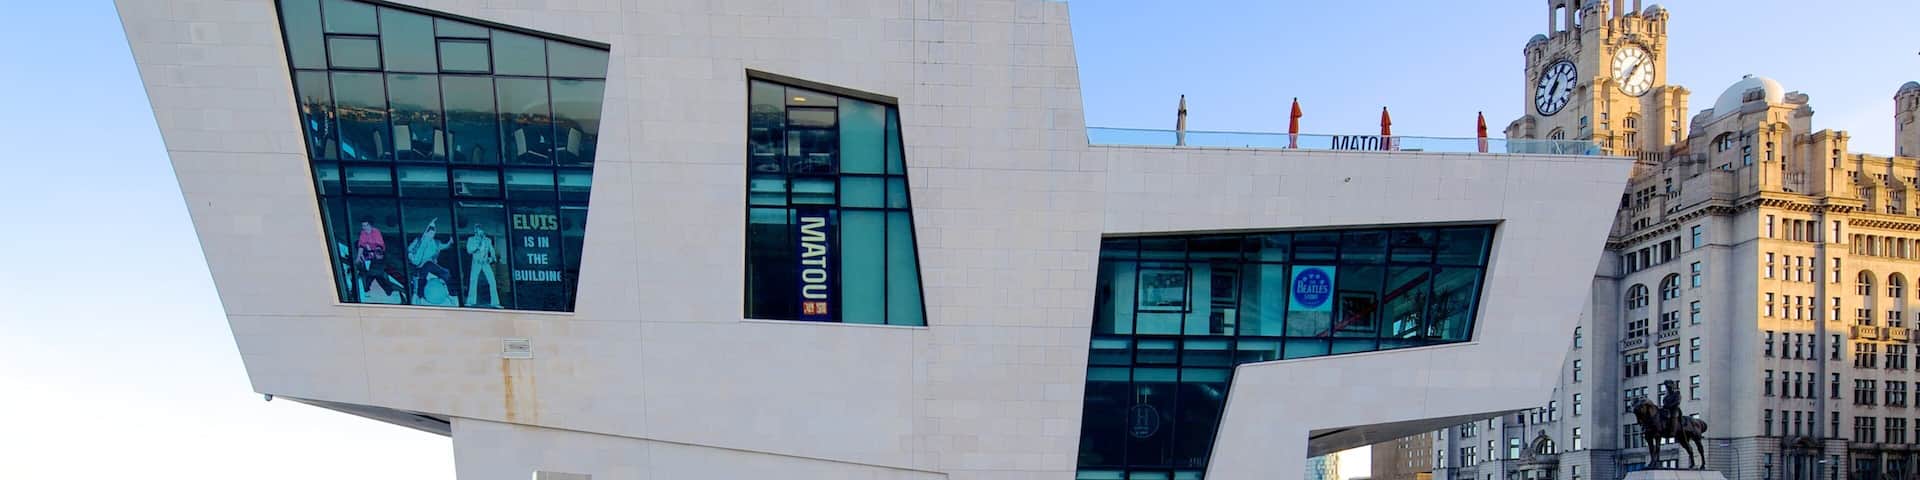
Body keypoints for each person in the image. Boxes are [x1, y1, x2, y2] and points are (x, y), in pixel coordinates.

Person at [408, 218, 457, 304]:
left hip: (432, 267)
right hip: (421, 267)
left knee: (445, 273)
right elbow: (409, 250)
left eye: (432, 233)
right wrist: (411, 254)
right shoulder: (419, 240)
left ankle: (451, 295)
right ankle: (419, 297)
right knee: (423, 274)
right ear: (426, 232)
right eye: (430, 233)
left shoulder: (436, 242)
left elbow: (444, 246)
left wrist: (450, 242)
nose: (431, 235)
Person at [354, 221, 402, 301]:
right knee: (375, 281)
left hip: (375, 272)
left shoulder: (377, 255)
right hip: (376, 272)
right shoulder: (379, 255)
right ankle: (386, 291)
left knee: (374, 281)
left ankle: (385, 291)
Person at [465, 225, 500, 308]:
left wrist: (491, 259)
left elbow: (492, 251)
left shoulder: (488, 240)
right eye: (477, 231)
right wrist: (478, 246)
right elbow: (469, 250)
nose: (479, 232)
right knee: (473, 281)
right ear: (475, 231)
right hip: (476, 262)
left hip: (485, 263)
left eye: (481, 230)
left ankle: (495, 303)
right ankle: (470, 301)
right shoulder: (471, 239)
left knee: (492, 281)